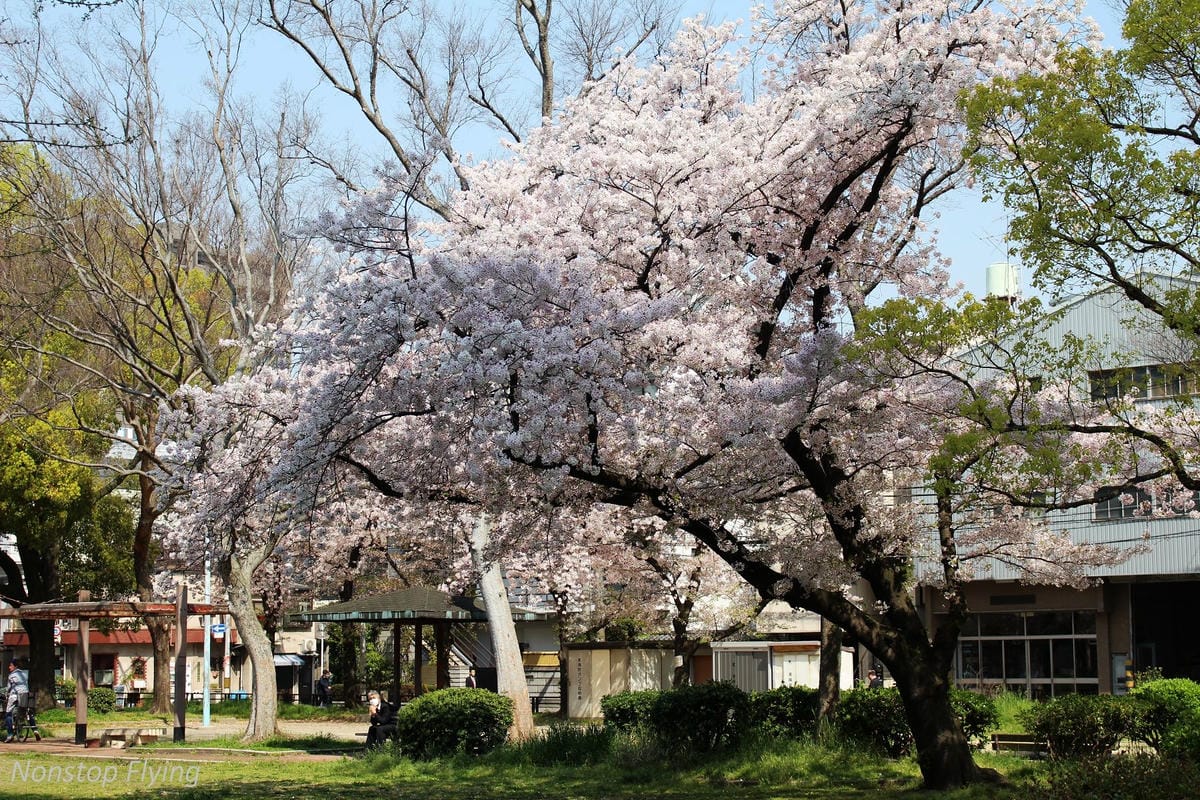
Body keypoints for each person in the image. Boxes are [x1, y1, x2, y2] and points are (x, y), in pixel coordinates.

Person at [4, 659, 28, 743]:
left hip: (15, 695)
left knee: (8, 714)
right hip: (25, 694)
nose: (9, 667)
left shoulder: (11, 675)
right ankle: (21, 729)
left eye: (11, 665)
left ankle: (10, 734)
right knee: (22, 711)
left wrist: (6, 694)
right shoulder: (24, 674)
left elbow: (9, 688)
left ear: (15, 666)